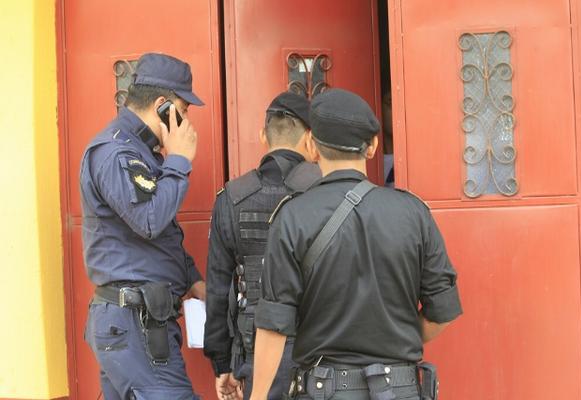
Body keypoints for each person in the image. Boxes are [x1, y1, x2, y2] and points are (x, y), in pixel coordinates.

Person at [250, 89, 463, 400]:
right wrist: (394, 342)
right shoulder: (414, 213)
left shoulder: (293, 217)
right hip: (400, 390)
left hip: (325, 391)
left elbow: (273, 326)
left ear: (311, 146)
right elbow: (441, 312)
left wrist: (257, 396)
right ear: (373, 146)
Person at [80, 53, 205, 400]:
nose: (187, 121)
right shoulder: (117, 152)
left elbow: (160, 234)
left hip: (140, 318)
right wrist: (179, 160)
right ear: (163, 106)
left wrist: (191, 279)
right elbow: (148, 219)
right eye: (184, 110)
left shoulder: (141, 152)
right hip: (133, 320)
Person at [204, 92, 321, 400]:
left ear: (263, 136)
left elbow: (218, 288)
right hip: (320, 352)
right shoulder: (325, 191)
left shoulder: (232, 197)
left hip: (256, 351)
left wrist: (221, 363)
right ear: (310, 139)